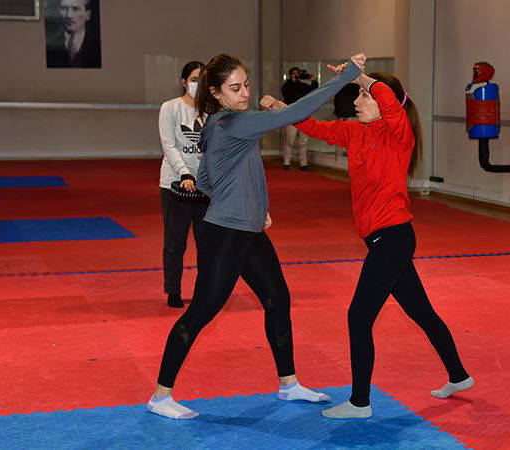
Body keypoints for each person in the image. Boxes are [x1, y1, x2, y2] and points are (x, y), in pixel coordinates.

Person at [146, 52, 366, 420]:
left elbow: (206, 180)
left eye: (246, 84)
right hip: (225, 233)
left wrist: (254, 205)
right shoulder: (234, 123)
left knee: (278, 298)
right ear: (216, 93)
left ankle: (289, 384)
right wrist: (348, 75)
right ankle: (160, 395)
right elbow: (296, 112)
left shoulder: (217, 125)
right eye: (235, 88)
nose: (245, 93)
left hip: (246, 227)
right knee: (202, 310)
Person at [262, 70, 473, 420]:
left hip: (393, 237)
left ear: (386, 102)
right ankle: (459, 375)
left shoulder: (398, 133)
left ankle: (360, 402)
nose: (357, 102)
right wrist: (281, 109)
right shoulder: (354, 132)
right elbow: (312, 126)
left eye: (364, 96)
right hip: (381, 241)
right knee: (421, 312)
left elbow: (388, 100)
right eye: (358, 95)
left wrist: (360, 76)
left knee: (358, 317)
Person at [158, 61, 206, 309]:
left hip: (205, 188)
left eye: (203, 79)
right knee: (175, 242)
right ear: (184, 81)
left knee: (207, 244)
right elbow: (169, 145)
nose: (198, 83)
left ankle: (205, 292)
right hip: (175, 185)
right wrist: (185, 173)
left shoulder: (212, 110)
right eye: (195, 79)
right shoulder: (170, 108)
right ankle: (173, 291)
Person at [280, 68, 318, 170]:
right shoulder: (287, 85)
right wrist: (293, 80)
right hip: (291, 116)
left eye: (298, 73)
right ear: (290, 74)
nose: (297, 75)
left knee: (303, 142)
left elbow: (314, 91)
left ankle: (303, 163)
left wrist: (313, 80)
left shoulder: (301, 84)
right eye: (295, 73)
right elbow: (288, 96)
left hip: (304, 116)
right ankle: (287, 162)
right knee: (290, 140)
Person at [45, 0, 101, 68]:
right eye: (64, 8)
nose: (69, 15)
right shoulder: (49, 46)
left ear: (88, 15)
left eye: (75, 9)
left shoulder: (98, 47)